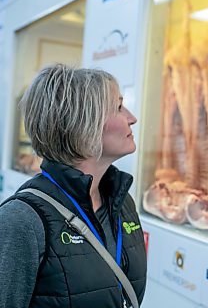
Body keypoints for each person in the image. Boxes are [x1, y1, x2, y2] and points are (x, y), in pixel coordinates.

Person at [0, 64, 147, 308]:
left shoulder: (122, 204)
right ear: (83, 124)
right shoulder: (22, 220)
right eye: (119, 107)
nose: (132, 118)